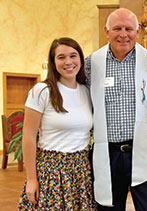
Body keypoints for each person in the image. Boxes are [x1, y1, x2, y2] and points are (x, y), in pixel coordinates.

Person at [85, 8, 147, 211]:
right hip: (107, 153)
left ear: (138, 32)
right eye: (117, 28)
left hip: (143, 149)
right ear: (107, 31)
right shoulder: (91, 63)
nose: (123, 34)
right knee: (108, 207)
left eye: (129, 28)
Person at [18, 37, 97, 210]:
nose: (68, 62)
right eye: (61, 57)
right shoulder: (42, 91)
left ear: (81, 60)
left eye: (73, 56)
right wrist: (32, 179)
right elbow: (29, 136)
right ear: (54, 62)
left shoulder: (86, 91)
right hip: (51, 171)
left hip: (81, 170)